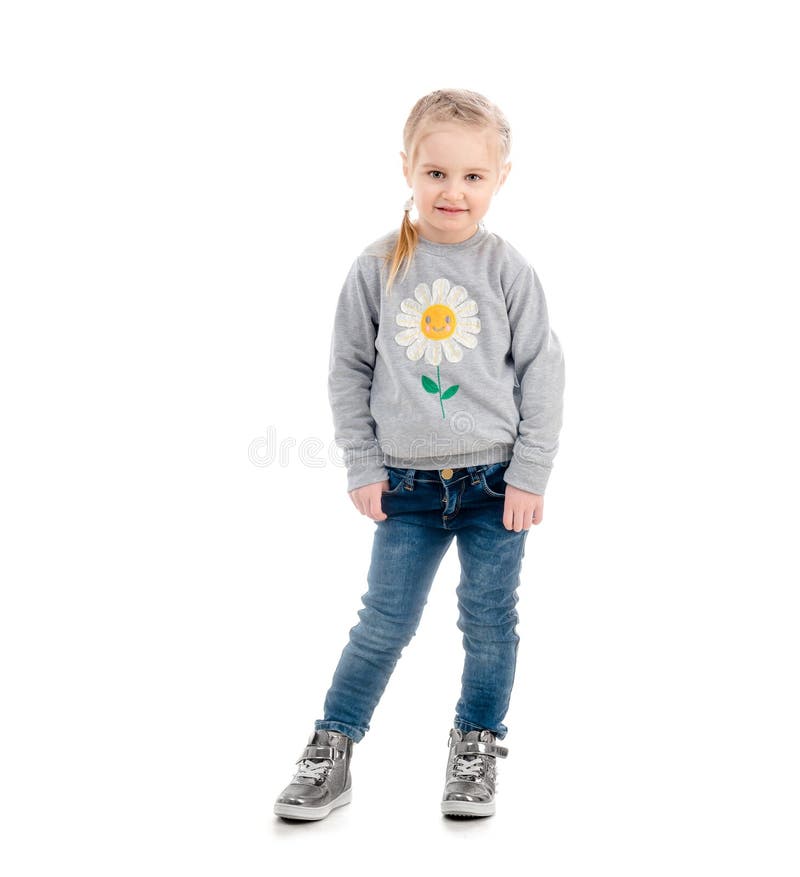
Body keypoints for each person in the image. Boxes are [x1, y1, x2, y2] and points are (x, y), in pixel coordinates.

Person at [274, 88, 566, 821]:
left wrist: (529, 474)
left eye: (472, 176)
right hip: (405, 486)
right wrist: (364, 464)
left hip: (494, 484)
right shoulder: (377, 266)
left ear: (500, 179)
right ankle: (332, 746)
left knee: (490, 618)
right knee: (383, 621)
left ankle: (475, 747)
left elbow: (543, 370)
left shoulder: (506, 269)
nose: (453, 191)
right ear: (407, 168)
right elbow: (348, 369)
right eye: (436, 173)